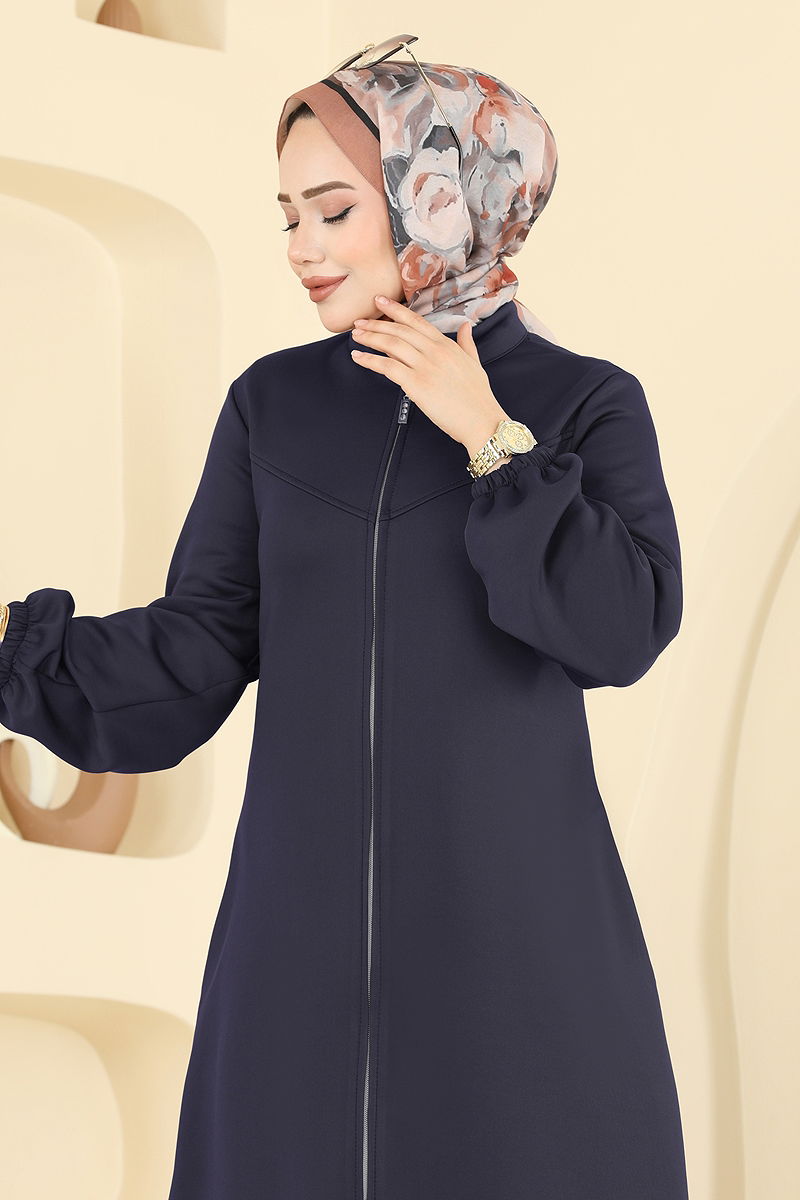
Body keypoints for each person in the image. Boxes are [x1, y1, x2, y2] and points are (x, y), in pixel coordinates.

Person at [0, 54, 690, 1200]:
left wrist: (489, 439)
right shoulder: (272, 408)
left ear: (442, 201)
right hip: (295, 964)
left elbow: (618, 631)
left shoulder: (582, 401)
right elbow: (192, 652)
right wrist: (15, 653)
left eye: (333, 210)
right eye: (287, 216)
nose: (301, 248)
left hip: (516, 957)